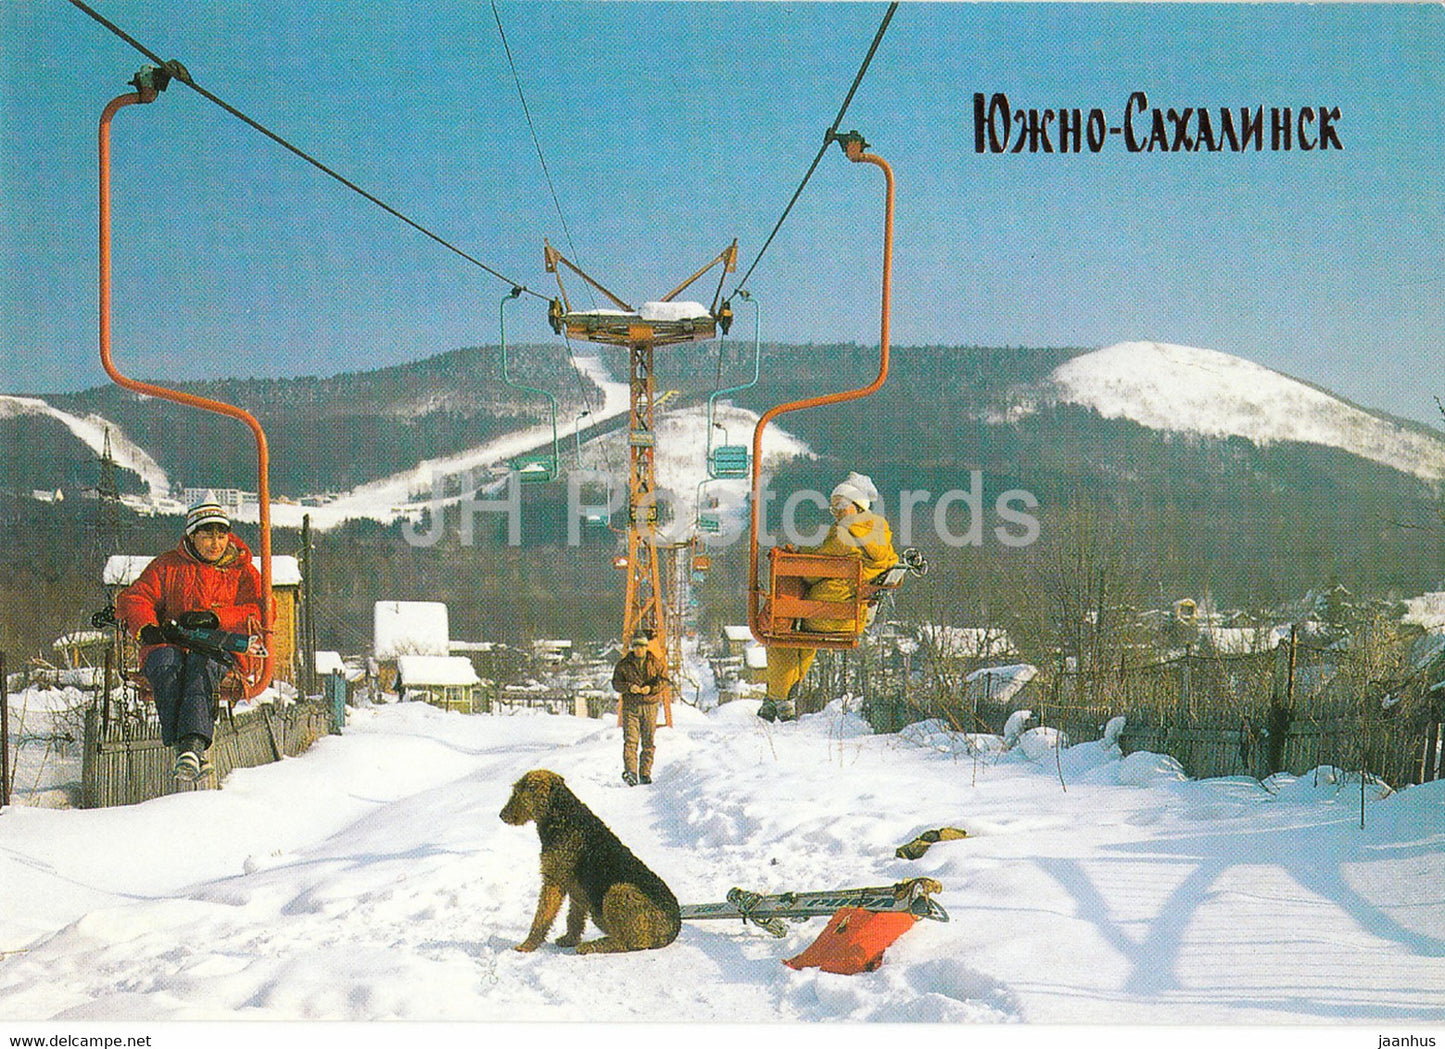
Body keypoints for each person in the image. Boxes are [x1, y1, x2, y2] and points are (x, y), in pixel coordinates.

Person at [116, 491, 265, 782]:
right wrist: (147, 627)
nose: (215, 543)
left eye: (221, 536)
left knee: (201, 666)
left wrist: (217, 618)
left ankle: (191, 745)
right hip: (173, 642)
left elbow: (259, 610)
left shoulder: (240, 572)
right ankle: (191, 750)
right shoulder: (168, 566)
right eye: (207, 536)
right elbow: (135, 598)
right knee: (164, 661)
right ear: (192, 536)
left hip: (220, 649)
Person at [760, 471, 899, 723]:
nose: (835, 512)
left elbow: (814, 571)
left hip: (824, 611)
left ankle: (777, 697)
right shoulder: (882, 536)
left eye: (840, 506)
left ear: (857, 506)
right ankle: (783, 697)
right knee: (800, 634)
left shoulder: (846, 531)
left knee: (781, 623)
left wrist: (796, 554)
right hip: (851, 617)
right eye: (833, 507)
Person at [612, 632, 668, 786]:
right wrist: (630, 687)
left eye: (642, 646)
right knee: (630, 740)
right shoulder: (624, 664)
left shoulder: (654, 662)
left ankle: (645, 773)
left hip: (650, 706)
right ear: (633, 647)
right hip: (631, 706)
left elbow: (664, 680)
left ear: (646, 647)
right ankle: (631, 772)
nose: (639, 649)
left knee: (648, 740)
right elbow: (616, 683)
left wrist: (650, 688)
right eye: (636, 646)